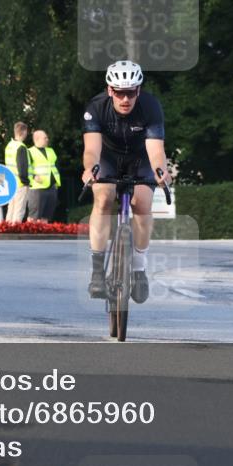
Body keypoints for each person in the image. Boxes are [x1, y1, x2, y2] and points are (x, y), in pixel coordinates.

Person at [81, 60, 171, 303]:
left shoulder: (150, 107)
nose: (125, 99)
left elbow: (155, 151)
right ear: (110, 90)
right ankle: (98, 272)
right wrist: (90, 169)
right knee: (102, 198)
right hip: (107, 158)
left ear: (138, 90)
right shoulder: (96, 107)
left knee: (142, 203)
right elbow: (92, 149)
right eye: (119, 92)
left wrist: (161, 171)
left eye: (130, 92)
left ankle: (139, 269)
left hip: (140, 158)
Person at [25, 130, 60, 222]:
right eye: (45, 138)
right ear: (37, 139)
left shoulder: (51, 151)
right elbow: (25, 168)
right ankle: (31, 235)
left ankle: (44, 235)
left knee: (46, 215)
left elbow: (55, 166)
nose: (47, 139)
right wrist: (33, 176)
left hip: (52, 187)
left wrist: (56, 183)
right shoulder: (29, 152)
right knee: (34, 215)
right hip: (37, 187)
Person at [4, 121, 30, 222]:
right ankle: (15, 232)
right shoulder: (21, 147)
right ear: (23, 132)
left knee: (11, 209)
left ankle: (6, 230)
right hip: (20, 183)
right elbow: (22, 166)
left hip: (11, 182)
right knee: (19, 209)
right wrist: (26, 182)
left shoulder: (9, 146)